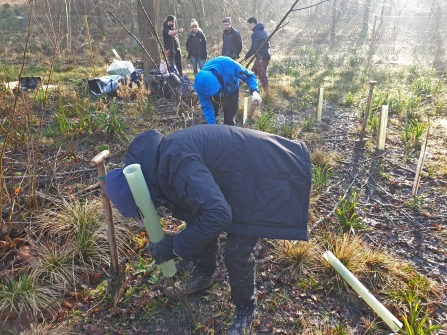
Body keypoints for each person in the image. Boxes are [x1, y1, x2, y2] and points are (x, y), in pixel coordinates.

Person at [105, 124, 312, 335]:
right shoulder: (158, 164)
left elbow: (218, 215)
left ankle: (245, 309)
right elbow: (200, 212)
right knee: (200, 219)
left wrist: (175, 248)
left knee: (235, 253)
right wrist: (175, 242)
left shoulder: (176, 164)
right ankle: (204, 274)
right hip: (241, 172)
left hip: (267, 174)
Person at [193, 56, 262, 126]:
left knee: (229, 119)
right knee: (211, 117)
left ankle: (229, 131)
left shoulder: (229, 65)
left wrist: (255, 91)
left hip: (231, 90)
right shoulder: (201, 86)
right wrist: (212, 129)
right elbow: (207, 108)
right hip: (215, 96)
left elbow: (250, 76)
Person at [243, 17, 271, 91]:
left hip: (261, 58)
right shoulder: (264, 31)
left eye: (249, 25)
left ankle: (267, 93)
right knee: (253, 73)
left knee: (262, 76)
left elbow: (253, 48)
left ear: (253, 24)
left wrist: (246, 56)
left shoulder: (255, 34)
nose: (249, 27)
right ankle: (253, 88)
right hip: (264, 56)